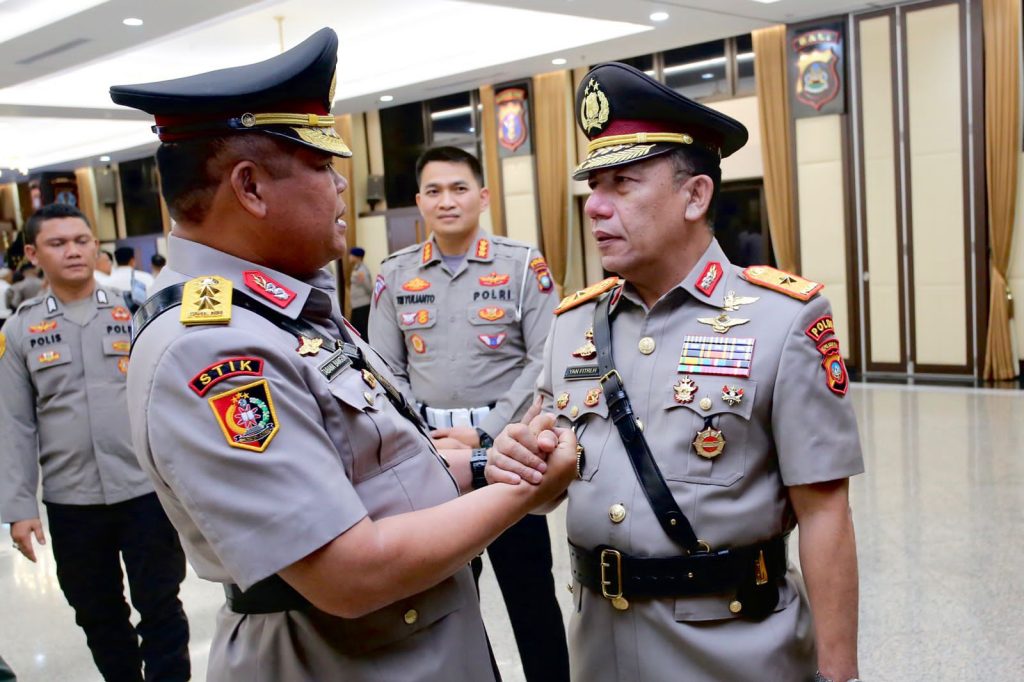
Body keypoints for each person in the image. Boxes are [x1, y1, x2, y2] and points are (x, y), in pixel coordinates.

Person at [110, 27, 576, 681]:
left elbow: (383, 465)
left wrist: (486, 459)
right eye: (321, 168)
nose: (339, 188)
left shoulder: (283, 310)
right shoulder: (213, 347)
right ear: (250, 188)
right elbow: (349, 574)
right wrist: (524, 491)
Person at [488, 62, 864, 682]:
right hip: (601, 648)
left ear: (695, 196)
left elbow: (825, 514)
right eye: (594, 186)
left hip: (736, 650)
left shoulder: (783, 319)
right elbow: (550, 481)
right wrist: (518, 460)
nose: (595, 207)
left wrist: (839, 674)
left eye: (622, 183)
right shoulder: (575, 324)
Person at [369, 145, 569, 682]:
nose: (447, 201)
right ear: (419, 202)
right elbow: (384, 368)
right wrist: (424, 436)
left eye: (459, 188)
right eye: (434, 191)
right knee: (448, 601)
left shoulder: (522, 265)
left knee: (531, 595)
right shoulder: (395, 273)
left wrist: (486, 432)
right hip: (429, 457)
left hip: (512, 454)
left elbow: (545, 357)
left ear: (482, 197)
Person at [0, 203, 191, 682]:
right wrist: (19, 507)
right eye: (58, 243)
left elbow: (172, 397)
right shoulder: (20, 329)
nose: (73, 251)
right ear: (33, 254)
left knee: (162, 605)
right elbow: (14, 423)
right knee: (97, 613)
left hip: (146, 491)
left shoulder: (136, 311)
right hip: (72, 502)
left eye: (82, 241)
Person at [347, 246, 372, 337]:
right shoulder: (357, 268)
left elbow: (368, 287)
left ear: (357, 257)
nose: (349, 257)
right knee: (357, 330)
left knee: (362, 332)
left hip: (362, 305)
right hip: (357, 305)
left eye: (351, 255)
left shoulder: (362, 270)